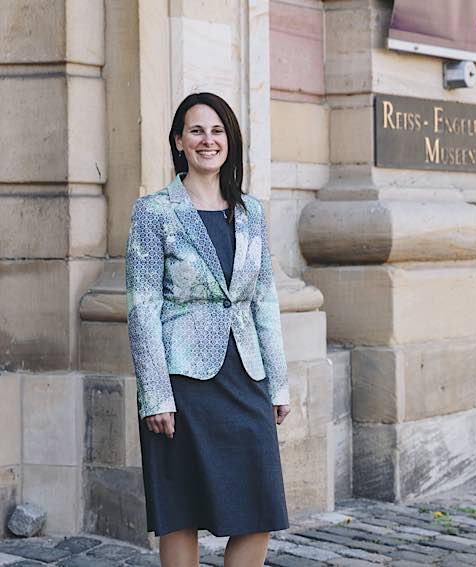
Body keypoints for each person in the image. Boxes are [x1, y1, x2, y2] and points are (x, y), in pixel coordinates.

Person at [126, 92, 290, 567]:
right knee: (181, 511)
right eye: (196, 130)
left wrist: (277, 382)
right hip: (182, 382)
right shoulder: (153, 211)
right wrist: (155, 395)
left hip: (245, 377)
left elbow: (264, 300)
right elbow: (141, 306)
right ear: (179, 142)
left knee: (259, 507)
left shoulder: (251, 212)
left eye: (217, 131)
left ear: (230, 141)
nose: (208, 140)